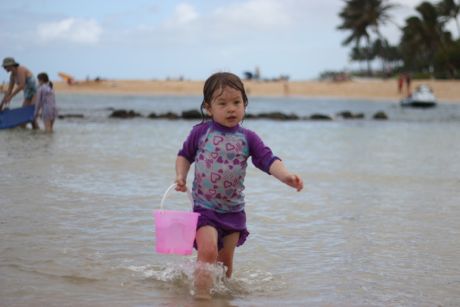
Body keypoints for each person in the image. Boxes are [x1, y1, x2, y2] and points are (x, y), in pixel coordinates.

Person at [175, 72, 304, 299]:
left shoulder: (248, 138)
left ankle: (221, 300)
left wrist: (286, 177)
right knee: (207, 252)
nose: (231, 109)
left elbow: (268, 160)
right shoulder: (201, 133)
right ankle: (201, 299)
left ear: (245, 104)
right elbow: (184, 156)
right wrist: (181, 176)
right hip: (205, 208)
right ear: (208, 107)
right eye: (222, 103)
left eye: (237, 102)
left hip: (233, 212)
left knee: (225, 266)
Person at [1, 57, 39, 129]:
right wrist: (3, 102)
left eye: (6, 67)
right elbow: (9, 90)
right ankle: (24, 136)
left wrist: (11, 97)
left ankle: (37, 132)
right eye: (4, 67)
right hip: (27, 94)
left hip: (35, 93)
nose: (5, 68)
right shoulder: (12, 76)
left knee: (31, 113)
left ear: (11, 65)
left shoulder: (20, 70)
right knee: (23, 115)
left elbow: (22, 85)